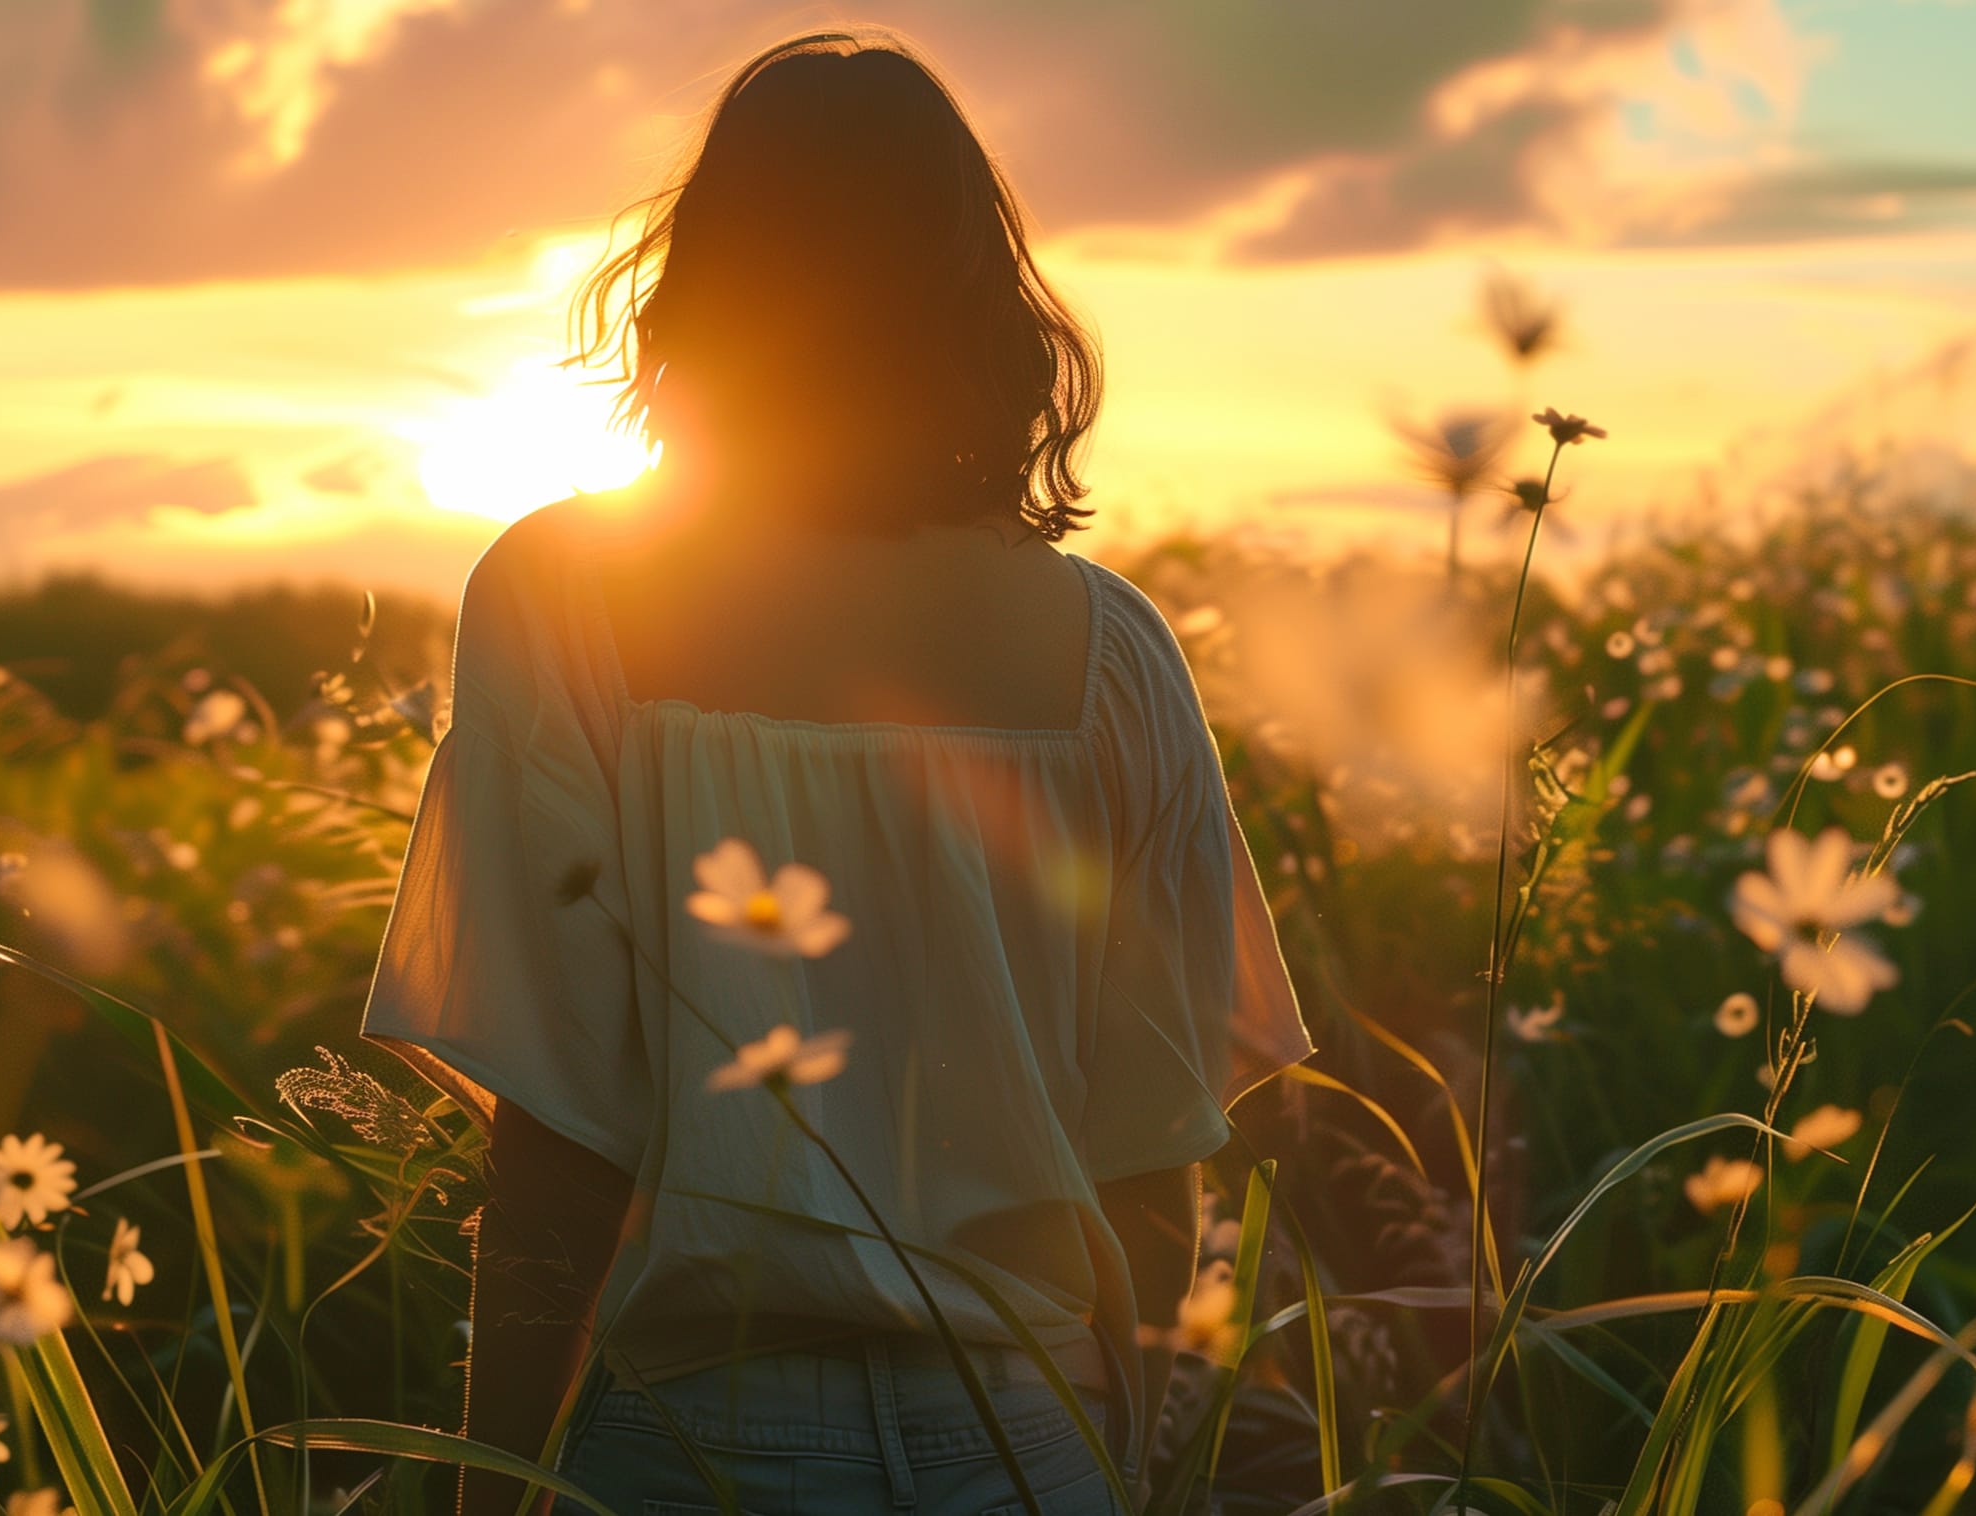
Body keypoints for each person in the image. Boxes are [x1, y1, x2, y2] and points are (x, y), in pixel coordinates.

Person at [360, 28, 1315, 1515]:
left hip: (699, 1442)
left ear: (706, 286)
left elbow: (559, 1144)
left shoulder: (564, 597)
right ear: (978, 302)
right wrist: (1113, 1472)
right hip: (1031, 1438)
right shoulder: (1112, 649)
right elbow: (1151, 1160)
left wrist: (490, 1489)